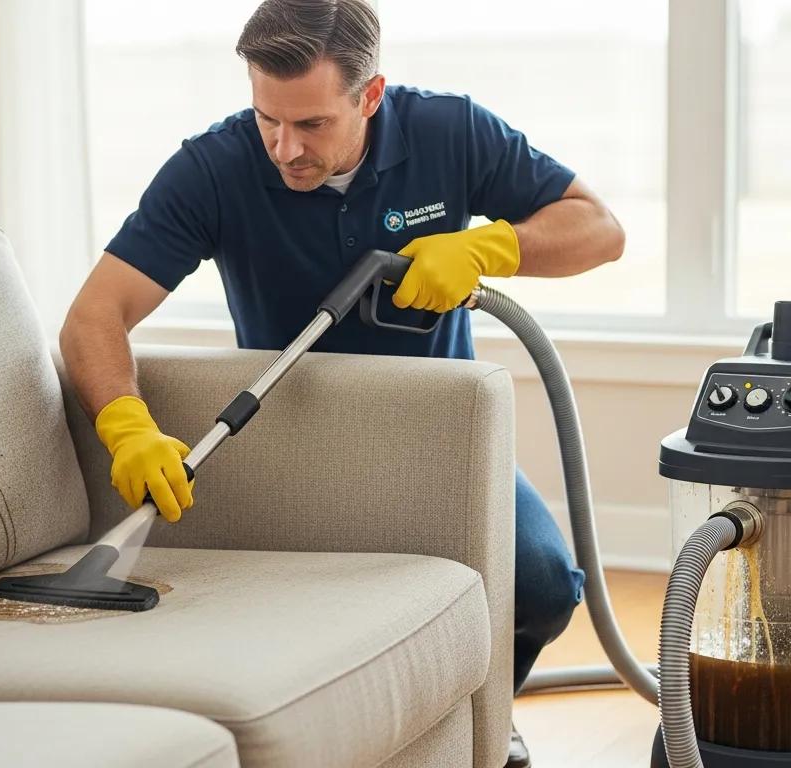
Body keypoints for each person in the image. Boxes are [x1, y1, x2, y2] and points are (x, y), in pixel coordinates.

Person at [60, 1, 624, 764]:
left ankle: (489, 715)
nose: (285, 148)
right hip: (297, 443)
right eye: (268, 119)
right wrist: (125, 423)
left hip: (441, 437)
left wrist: (491, 247)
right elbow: (93, 316)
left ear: (370, 94)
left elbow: (600, 228)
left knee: (547, 586)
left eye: (313, 125)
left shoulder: (449, 131)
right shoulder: (215, 167)